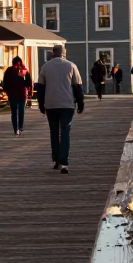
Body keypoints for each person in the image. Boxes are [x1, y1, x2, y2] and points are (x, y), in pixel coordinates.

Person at [36, 44, 84, 174]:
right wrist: (81, 102)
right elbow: (77, 86)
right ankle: (64, 162)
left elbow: (40, 87)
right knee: (65, 131)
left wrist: (41, 104)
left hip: (51, 104)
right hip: (67, 104)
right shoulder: (71, 66)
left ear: (53, 53)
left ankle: (56, 159)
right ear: (64, 53)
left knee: (53, 132)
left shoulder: (45, 67)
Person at [0, 56, 32, 135]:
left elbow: (29, 82)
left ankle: (18, 128)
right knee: (16, 112)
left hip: (19, 94)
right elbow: (5, 82)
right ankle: (17, 128)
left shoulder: (23, 70)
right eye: (16, 64)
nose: (17, 66)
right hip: (17, 94)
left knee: (18, 112)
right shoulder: (13, 70)